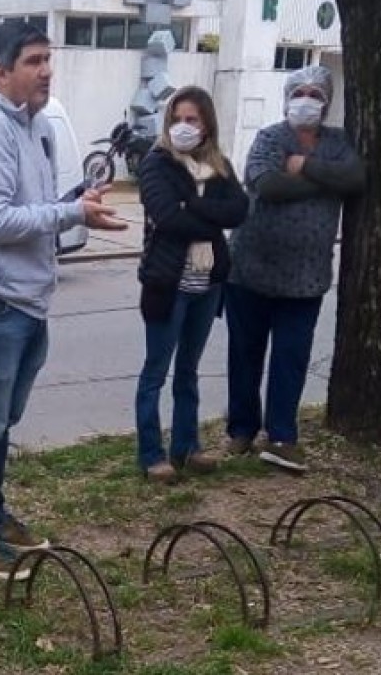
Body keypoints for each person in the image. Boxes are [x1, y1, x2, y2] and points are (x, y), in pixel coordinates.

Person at [0, 22, 126, 580]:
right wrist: (71, 214)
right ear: (1, 71)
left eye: (49, 59)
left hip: (28, 301)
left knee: (1, 423)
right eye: (33, 61)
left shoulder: (38, 126)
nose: (47, 70)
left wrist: (75, 201)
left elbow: (37, 205)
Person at [225, 65, 365, 472]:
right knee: (245, 355)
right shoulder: (270, 137)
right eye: (300, 92)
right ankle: (241, 430)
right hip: (251, 270)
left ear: (326, 101)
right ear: (287, 97)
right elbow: (266, 184)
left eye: (316, 94)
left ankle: (282, 435)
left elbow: (356, 179)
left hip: (306, 279)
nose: (307, 99)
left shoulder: (338, 142)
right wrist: (327, 180)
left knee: (291, 357)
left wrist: (303, 166)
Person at [134, 86, 249, 484]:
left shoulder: (219, 165)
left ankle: (187, 446)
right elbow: (167, 218)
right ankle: (152, 454)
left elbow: (238, 210)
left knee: (189, 370)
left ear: (206, 125)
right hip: (168, 282)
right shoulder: (156, 164)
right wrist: (209, 217)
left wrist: (195, 207)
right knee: (156, 372)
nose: (183, 127)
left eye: (192, 120)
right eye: (177, 120)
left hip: (208, 284)